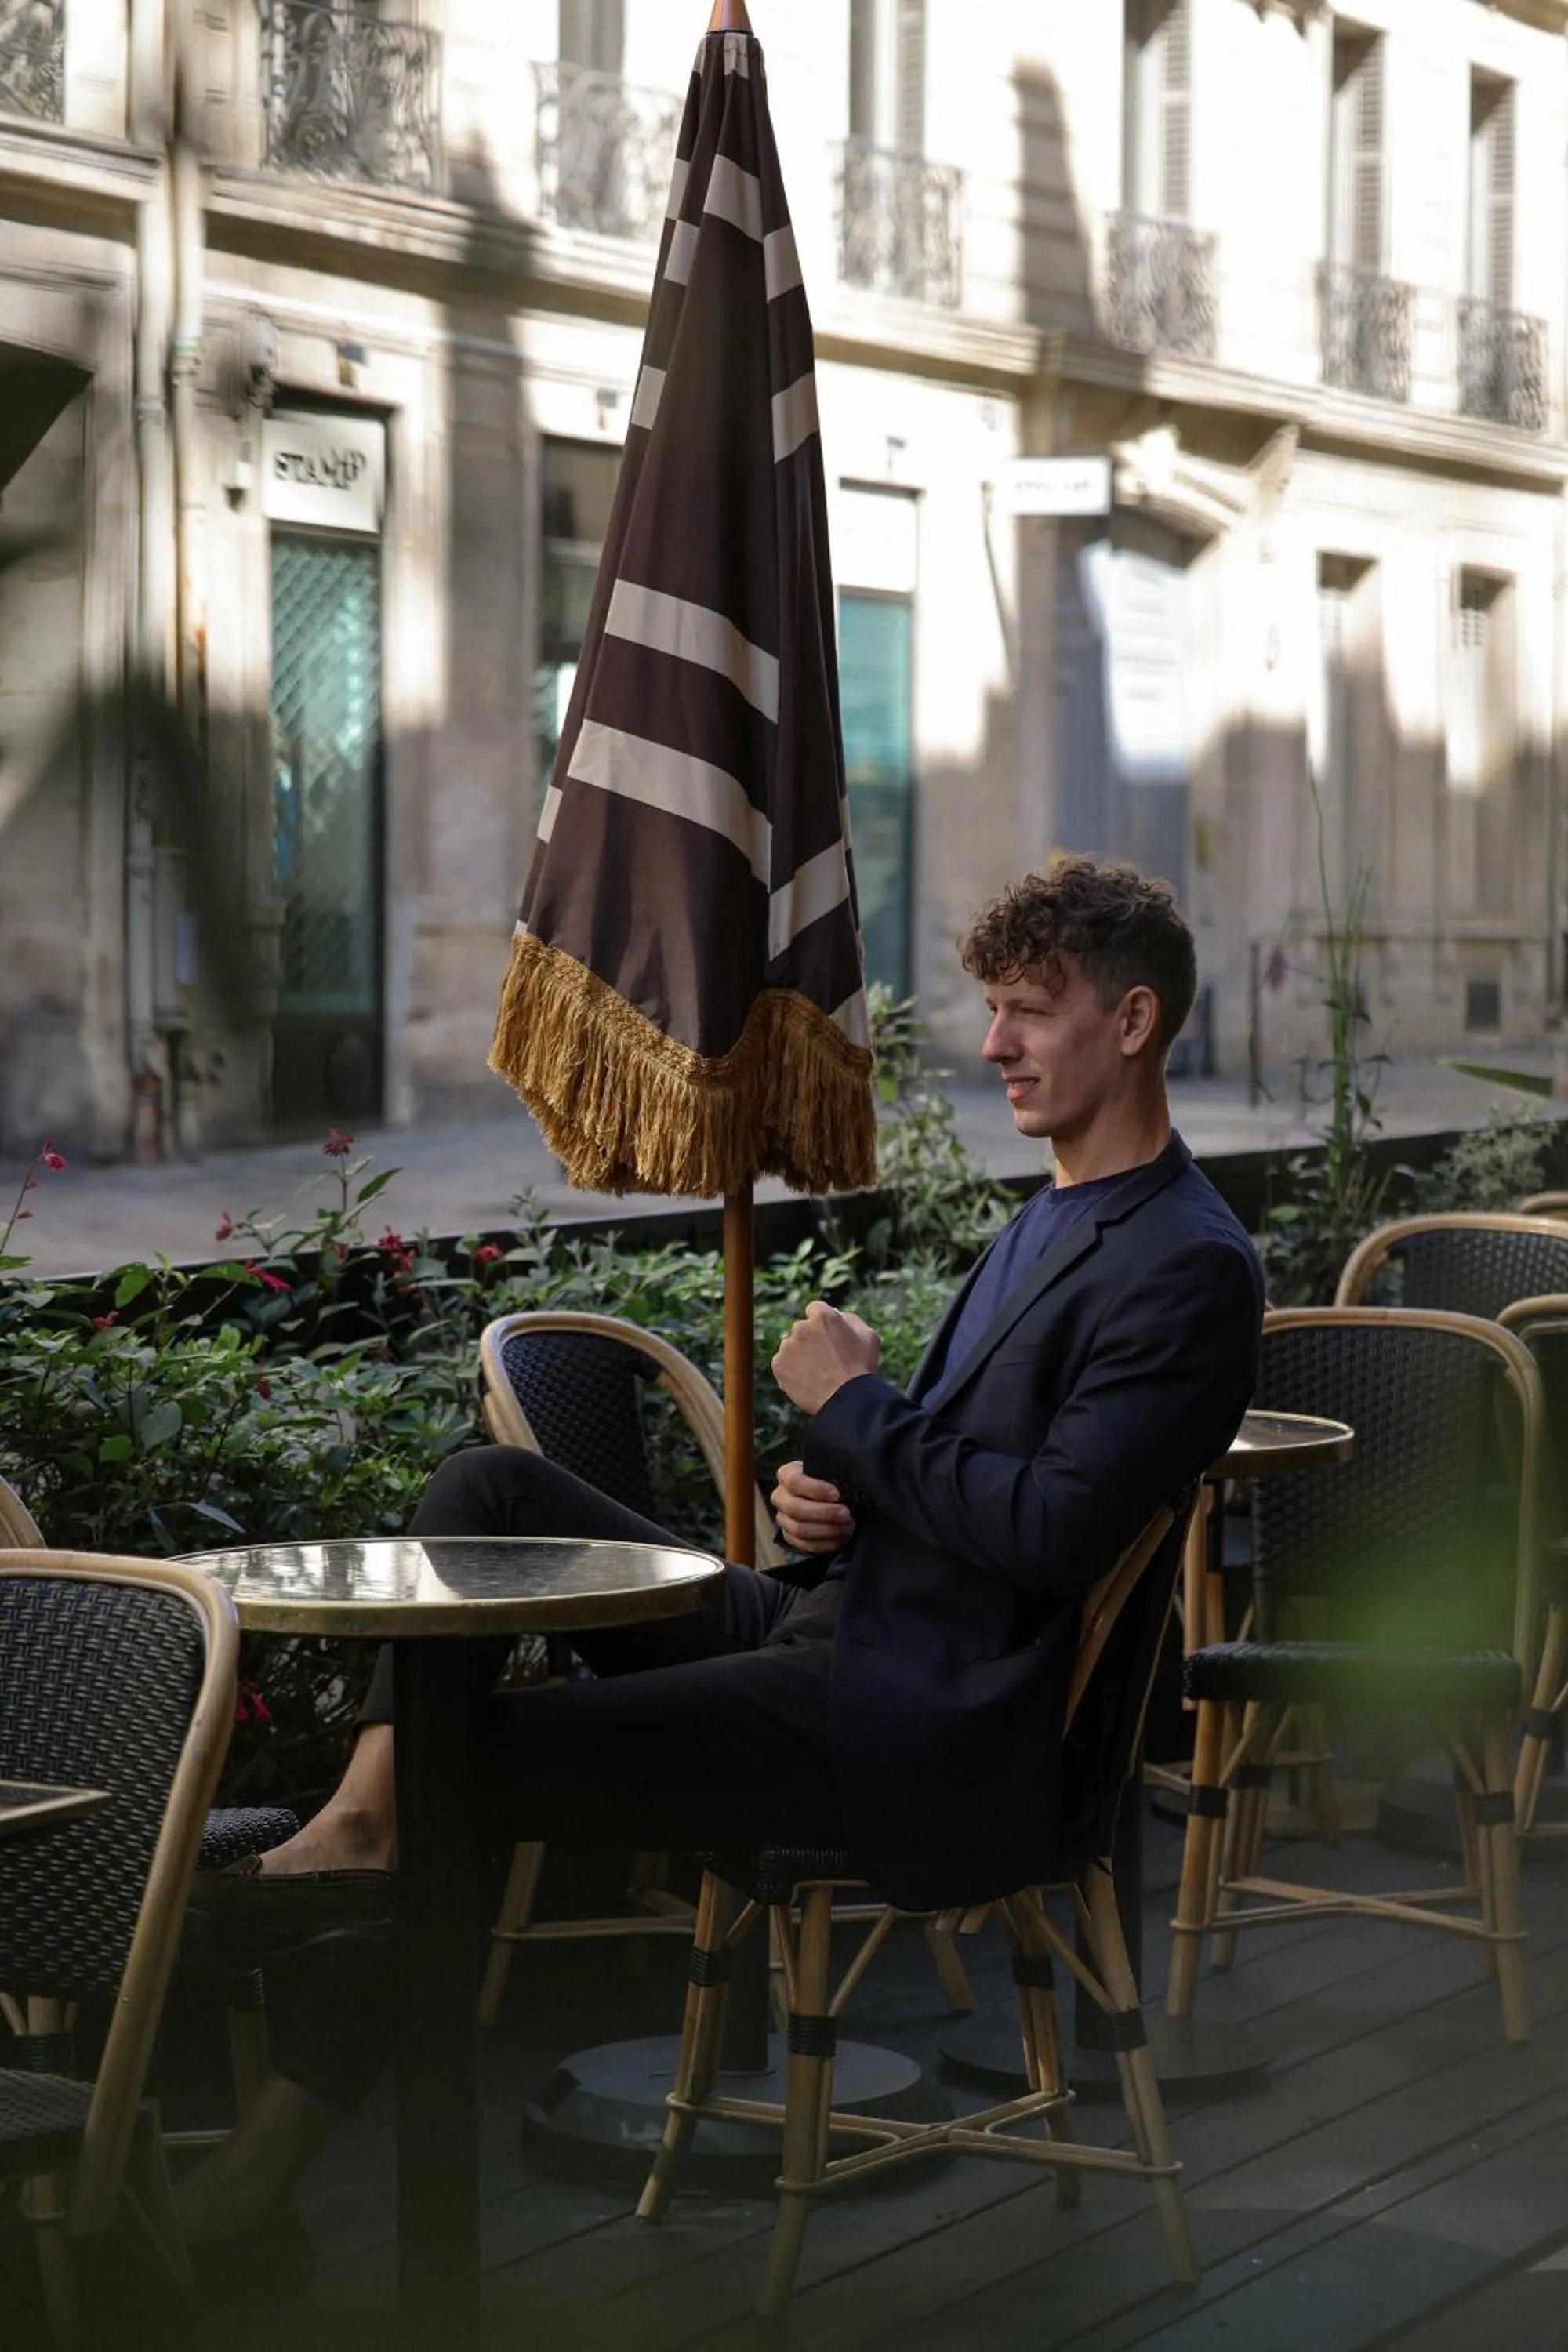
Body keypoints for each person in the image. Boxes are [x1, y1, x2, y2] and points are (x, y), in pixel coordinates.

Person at [176, 855, 1263, 2245]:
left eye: (1028, 1014)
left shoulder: (1187, 1259)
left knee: (471, 1767)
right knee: (492, 1486)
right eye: (992, 1008)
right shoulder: (1049, 1214)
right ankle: (364, 1817)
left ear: (1132, 1021)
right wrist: (843, 1500)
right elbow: (976, 1487)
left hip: (919, 1709)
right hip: (833, 1624)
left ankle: (256, 2170)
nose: (992, 1044)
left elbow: (1054, 1534)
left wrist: (858, 1411)